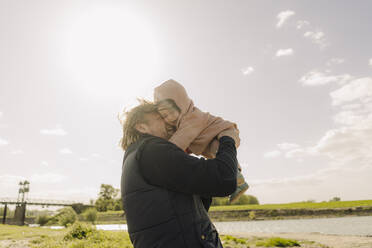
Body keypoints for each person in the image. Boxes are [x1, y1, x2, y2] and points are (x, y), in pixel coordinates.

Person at [119, 99, 239, 248]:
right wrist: (228, 139)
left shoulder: (137, 156)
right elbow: (224, 180)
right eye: (161, 118)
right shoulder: (153, 150)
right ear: (142, 127)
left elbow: (194, 209)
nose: (169, 122)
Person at [154, 79, 249, 203]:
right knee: (218, 155)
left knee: (220, 152)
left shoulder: (192, 117)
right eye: (164, 116)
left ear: (181, 105)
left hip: (223, 131)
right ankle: (239, 182)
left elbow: (179, 142)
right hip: (211, 139)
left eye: (171, 112)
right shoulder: (179, 121)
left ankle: (238, 181)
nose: (169, 118)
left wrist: (161, 153)